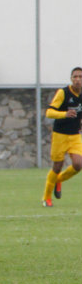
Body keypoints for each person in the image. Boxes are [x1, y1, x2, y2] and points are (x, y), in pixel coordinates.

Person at [41, 66, 82, 207]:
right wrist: (64, 114)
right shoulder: (63, 93)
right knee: (57, 166)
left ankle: (59, 180)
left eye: (80, 77)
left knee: (78, 164)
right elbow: (49, 112)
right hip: (60, 135)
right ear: (71, 79)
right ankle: (46, 197)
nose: (77, 80)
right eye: (75, 77)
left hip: (75, 136)